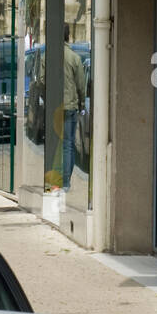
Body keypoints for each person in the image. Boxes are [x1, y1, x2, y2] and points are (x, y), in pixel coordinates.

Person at [62, 28, 87, 193]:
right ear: (68, 36)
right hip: (70, 106)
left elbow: (41, 80)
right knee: (68, 145)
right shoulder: (74, 58)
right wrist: (82, 103)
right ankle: (65, 183)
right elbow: (81, 85)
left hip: (54, 107)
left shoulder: (47, 55)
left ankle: (52, 181)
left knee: (55, 145)